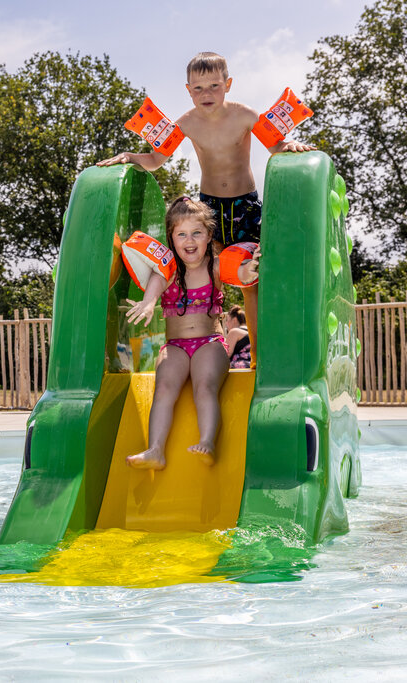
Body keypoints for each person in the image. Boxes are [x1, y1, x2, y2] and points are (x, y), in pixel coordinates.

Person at [97, 51, 315, 363]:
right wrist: (130, 156)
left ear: (228, 84)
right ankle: (203, 345)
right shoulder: (187, 122)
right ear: (188, 90)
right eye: (198, 88)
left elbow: (275, 146)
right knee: (203, 272)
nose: (206, 94)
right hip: (209, 208)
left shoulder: (244, 115)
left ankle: (258, 356)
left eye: (213, 85)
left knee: (251, 281)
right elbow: (157, 161)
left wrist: (288, 146)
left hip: (245, 207)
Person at [124, 197, 230, 470]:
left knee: (205, 385)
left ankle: (207, 440)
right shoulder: (167, 272)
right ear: (172, 238)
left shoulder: (215, 267)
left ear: (208, 235)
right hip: (176, 347)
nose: (189, 240)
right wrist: (147, 304)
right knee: (164, 387)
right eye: (181, 234)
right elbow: (153, 290)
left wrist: (250, 267)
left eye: (197, 232)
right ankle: (155, 450)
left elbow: (240, 272)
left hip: (209, 342)